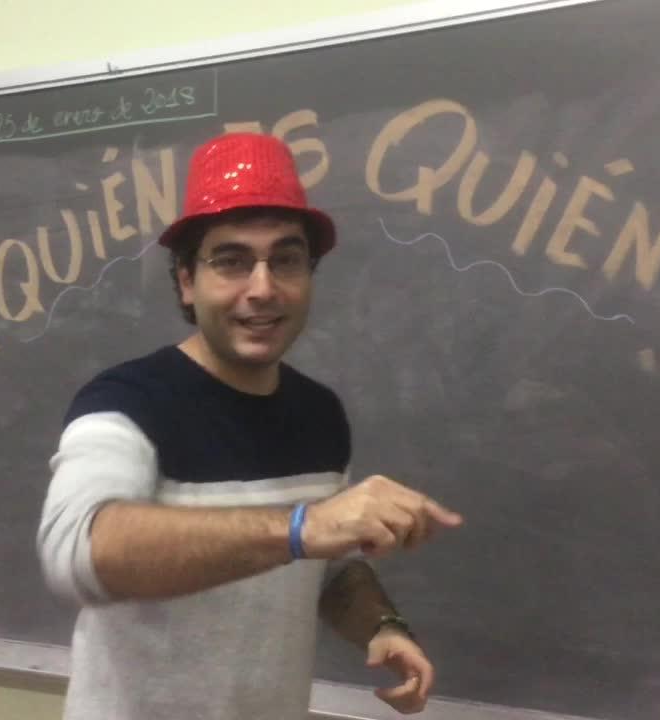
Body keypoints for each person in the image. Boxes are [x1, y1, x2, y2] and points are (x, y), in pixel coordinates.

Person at [37, 132, 463, 720]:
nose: (262, 289)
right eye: (231, 261)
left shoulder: (319, 414)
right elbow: (77, 549)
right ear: (187, 281)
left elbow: (327, 563)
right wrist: (303, 526)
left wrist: (380, 624)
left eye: (285, 260)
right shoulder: (126, 402)